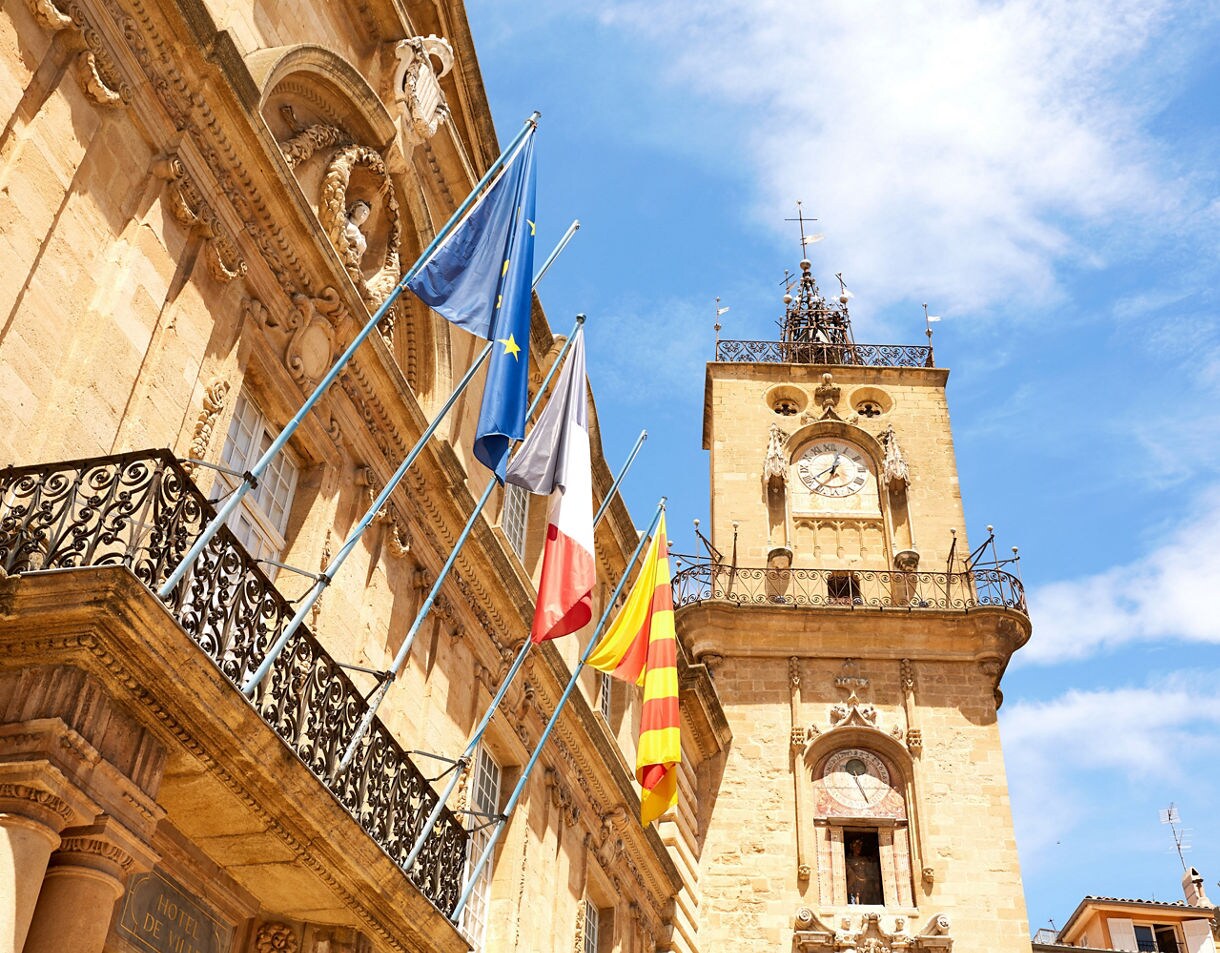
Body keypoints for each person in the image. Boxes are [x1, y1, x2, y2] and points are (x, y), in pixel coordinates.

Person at [845, 835, 883, 905]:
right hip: (854, 883)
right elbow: (850, 873)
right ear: (852, 847)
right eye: (856, 845)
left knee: (864, 899)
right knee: (856, 897)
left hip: (864, 882)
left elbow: (870, 869)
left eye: (860, 846)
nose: (858, 847)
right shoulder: (848, 860)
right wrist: (851, 883)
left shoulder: (864, 859)